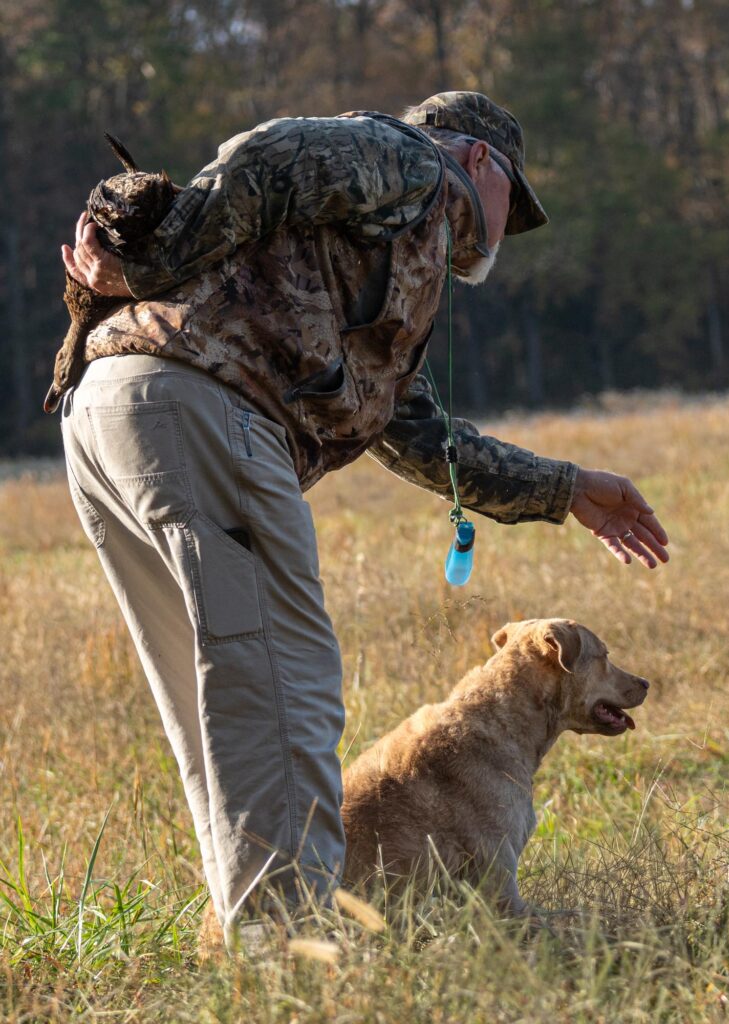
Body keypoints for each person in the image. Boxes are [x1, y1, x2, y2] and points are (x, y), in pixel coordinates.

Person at [59, 91, 669, 944]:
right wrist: (161, 262)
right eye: (512, 206)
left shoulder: (373, 246)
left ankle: (253, 937)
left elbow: (411, 428)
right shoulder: (411, 165)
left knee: (224, 703)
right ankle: (292, 953)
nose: (502, 230)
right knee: (288, 692)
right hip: (203, 412)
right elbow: (271, 150)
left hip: (120, 412)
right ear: (480, 163)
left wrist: (565, 489)